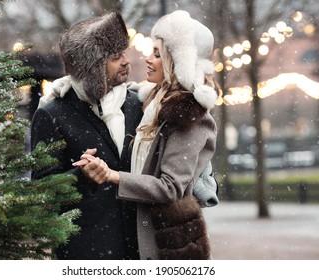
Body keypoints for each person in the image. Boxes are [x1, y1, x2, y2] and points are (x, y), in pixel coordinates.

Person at [74, 10, 220, 260]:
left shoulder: (189, 117)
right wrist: (68, 85)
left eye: (157, 53)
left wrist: (112, 175)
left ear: (177, 60)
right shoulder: (151, 102)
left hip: (170, 244)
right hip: (138, 238)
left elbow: (170, 188)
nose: (148, 59)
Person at [30, 12, 143, 260]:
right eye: (115, 57)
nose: (126, 61)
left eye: (124, 53)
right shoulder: (52, 115)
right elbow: (40, 194)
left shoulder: (138, 104)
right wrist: (81, 177)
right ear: (92, 67)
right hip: (86, 255)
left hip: (140, 251)